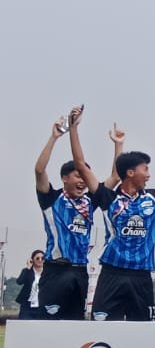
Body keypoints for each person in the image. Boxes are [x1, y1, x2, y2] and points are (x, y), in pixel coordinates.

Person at [71, 109, 155, 321]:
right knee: (102, 330)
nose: (149, 174)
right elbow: (80, 165)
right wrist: (74, 128)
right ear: (131, 173)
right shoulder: (108, 198)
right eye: (145, 169)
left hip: (142, 276)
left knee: (144, 332)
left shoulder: (154, 198)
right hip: (112, 274)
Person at [33, 112, 120, 320]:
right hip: (56, 271)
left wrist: (118, 145)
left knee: (75, 326)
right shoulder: (51, 198)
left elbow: (116, 177)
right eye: (77, 176)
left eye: (85, 177)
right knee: (50, 325)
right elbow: (39, 170)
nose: (82, 181)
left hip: (80, 272)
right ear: (64, 178)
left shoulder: (90, 200)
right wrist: (54, 137)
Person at [15, 250, 44, 319]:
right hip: (27, 306)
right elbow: (19, 282)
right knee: (24, 324)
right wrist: (28, 268)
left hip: (42, 306)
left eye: (42, 258)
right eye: (37, 258)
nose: (40, 260)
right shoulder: (27, 271)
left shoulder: (48, 273)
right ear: (32, 260)